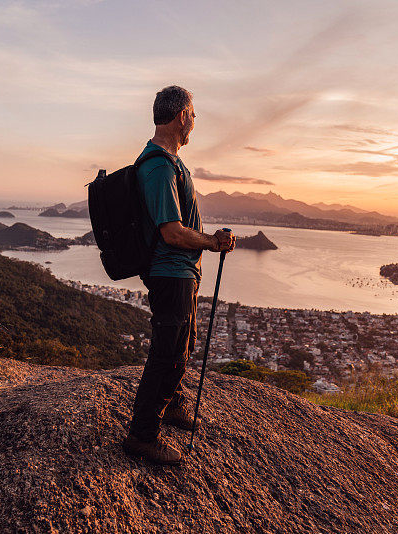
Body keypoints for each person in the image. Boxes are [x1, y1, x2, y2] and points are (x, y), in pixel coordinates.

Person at [123, 85, 235, 464]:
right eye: (193, 116)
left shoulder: (170, 162)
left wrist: (208, 242)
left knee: (182, 347)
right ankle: (143, 434)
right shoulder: (157, 166)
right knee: (167, 352)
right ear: (182, 116)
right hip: (170, 272)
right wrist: (211, 242)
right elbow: (171, 232)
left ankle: (171, 405)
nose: (193, 124)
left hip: (181, 272)